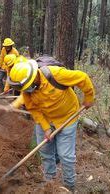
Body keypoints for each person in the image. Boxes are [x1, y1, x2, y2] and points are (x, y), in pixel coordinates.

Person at [7, 60, 95, 191]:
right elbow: (34, 110)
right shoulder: (26, 91)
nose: (26, 91)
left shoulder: (55, 74)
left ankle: (69, 186)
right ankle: (50, 182)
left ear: (33, 77)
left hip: (67, 117)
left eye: (28, 87)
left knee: (66, 156)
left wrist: (88, 98)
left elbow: (82, 78)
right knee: (45, 152)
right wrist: (46, 128)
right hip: (46, 119)